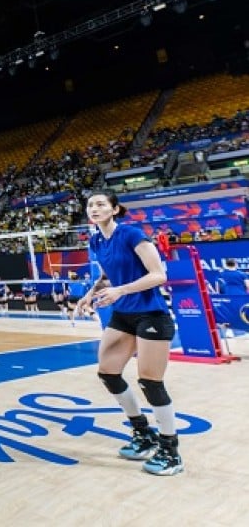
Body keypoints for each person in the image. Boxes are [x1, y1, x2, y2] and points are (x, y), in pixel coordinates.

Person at [75, 189, 182, 476]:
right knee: (108, 372)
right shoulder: (97, 240)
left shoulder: (132, 235)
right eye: (90, 205)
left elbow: (159, 275)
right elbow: (108, 275)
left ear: (114, 209)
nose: (94, 208)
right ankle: (143, 433)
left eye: (100, 204)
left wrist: (121, 290)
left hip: (151, 314)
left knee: (150, 382)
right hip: (125, 315)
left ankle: (171, 451)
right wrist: (90, 294)